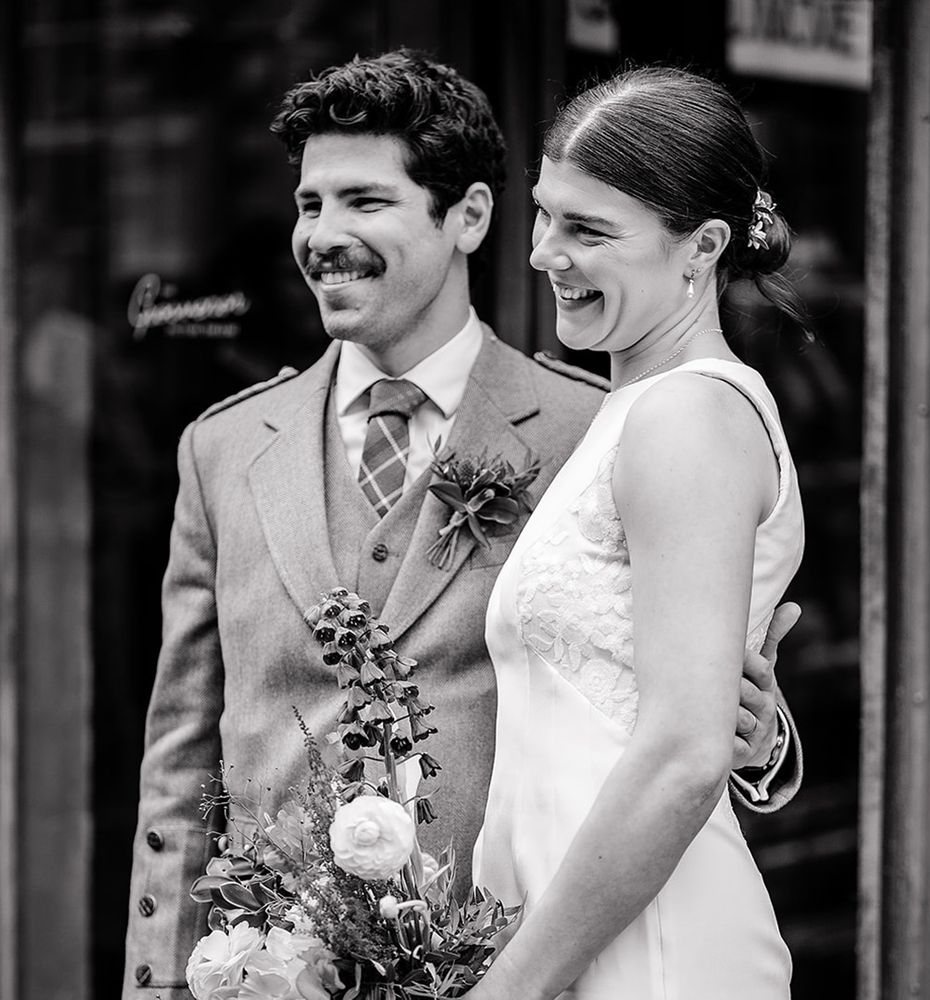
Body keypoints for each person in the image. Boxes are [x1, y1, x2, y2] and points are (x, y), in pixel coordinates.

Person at [122, 50, 802, 999]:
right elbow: (183, 760)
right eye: (309, 205)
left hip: (510, 956)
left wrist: (759, 737)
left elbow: (670, 716)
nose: (323, 235)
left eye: (364, 202)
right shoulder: (224, 447)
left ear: (469, 216)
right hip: (266, 972)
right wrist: (160, 982)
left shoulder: (597, 427)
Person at [470, 65, 808, 999]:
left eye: (588, 230)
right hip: (585, 937)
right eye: (545, 213)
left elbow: (684, 752)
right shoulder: (638, 409)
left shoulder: (687, 418)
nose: (543, 252)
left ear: (700, 247)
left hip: (647, 948)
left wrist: (515, 985)